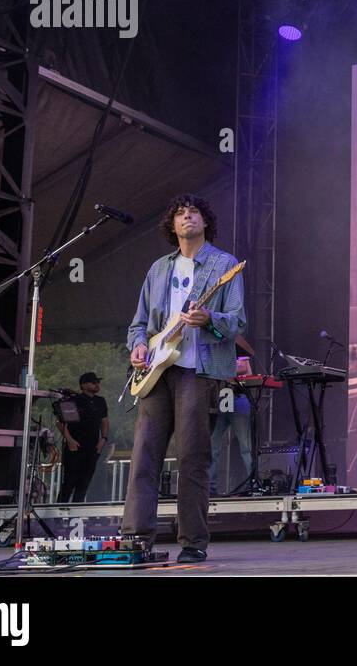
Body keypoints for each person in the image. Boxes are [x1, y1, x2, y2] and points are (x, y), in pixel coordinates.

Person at [123, 195, 247, 563]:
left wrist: (210, 319)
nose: (187, 217)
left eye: (193, 212)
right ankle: (136, 538)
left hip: (198, 371)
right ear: (172, 225)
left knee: (192, 457)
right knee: (144, 456)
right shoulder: (159, 268)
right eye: (179, 213)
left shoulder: (224, 265)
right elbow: (139, 323)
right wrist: (139, 345)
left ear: (205, 222)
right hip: (157, 372)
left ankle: (193, 542)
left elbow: (237, 322)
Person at [55, 372, 108, 503]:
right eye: (93, 382)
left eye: (98, 382)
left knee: (84, 482)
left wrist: (103, 439)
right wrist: (70, 440)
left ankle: (76, 510)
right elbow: (60, 423)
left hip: (93, 447)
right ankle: (59, 510)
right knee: (69, 481)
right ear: (83, 385)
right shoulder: (74, 400)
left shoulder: (100, 401)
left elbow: (105, 421)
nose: (97, 384)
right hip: (75, 446)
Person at [210, 353, 255, 496]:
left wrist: (220, 368)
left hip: (237, 397)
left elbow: (245, 370)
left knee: (246, 446)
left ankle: (253, 484)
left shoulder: (238, 347)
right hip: (220, 398)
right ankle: (211, 488)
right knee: (212, 446)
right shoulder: (213, 347)